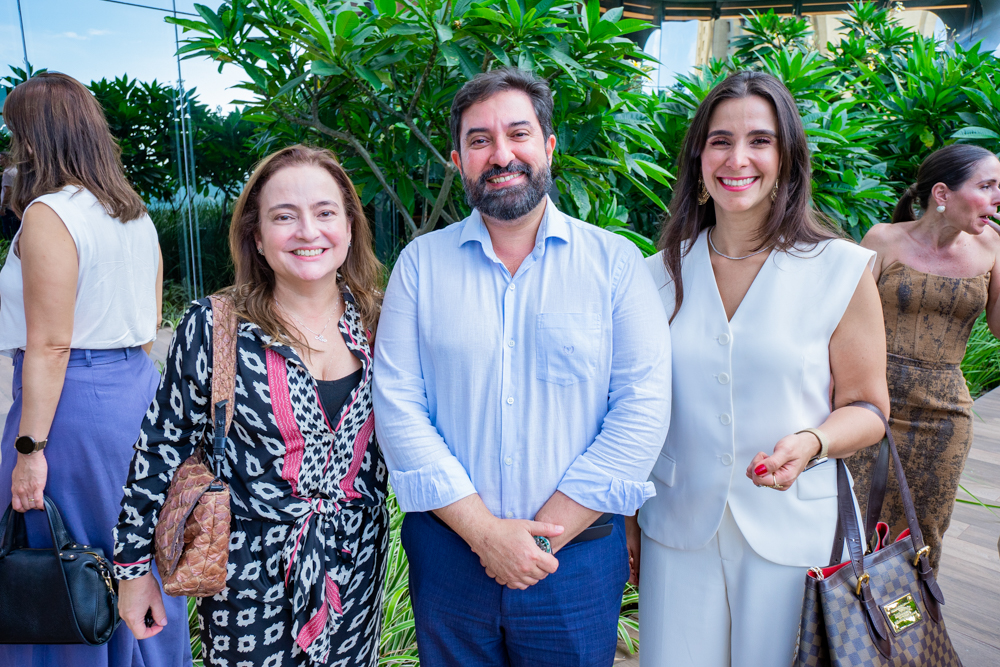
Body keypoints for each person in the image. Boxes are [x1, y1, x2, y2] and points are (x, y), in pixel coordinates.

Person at [372, 67, 672, 666]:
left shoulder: (615, 265)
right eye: (480, 140)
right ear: (458, 159)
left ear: (549, 146)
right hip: (451, 555)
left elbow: (642, 409)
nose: (501, 154)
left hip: (576, 559)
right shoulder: (420, 266)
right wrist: (486, 534)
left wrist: (537, 539)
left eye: (518, 133)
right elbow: (398, 407)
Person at [629, 71, 890, 667]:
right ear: (698, 157)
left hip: (793, 531)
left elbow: (869, 408)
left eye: (760, 141)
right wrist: (626, 519)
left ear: (788, 158)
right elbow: (636, 409)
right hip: (677, 525)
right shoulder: (654, 276)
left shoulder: (841, 270)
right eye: (720, 141)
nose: (737, 158)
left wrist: (813, 440)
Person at [113, 144, 389, 667]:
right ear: (258, 238)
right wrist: (132, 572)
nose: (308, 231)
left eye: (325, 213)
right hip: (247, 576)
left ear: (350, 227)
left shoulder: (382, 323)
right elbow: (159, 450)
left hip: (356, 566)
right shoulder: (216, 327)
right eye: (284, 217)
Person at [0, 72, 190, 666]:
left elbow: (52, 345)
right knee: (137, 551)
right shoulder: (133, 213)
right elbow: (152, 316)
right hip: (136, 393)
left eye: (14, 135)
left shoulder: (48, 214)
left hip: (66, 405)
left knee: (58, 562)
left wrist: (30, 449)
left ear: (34, 138)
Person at [849, 144, 1000, 573]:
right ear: (942, 193)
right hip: (870, 403)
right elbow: (843, 323)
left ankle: (906, 630)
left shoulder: (992, 247)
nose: (997, 197)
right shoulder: (883, 239)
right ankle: (844, 629)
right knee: (853, 519)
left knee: (924, 530)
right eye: (987, 185)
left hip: (945, 414)